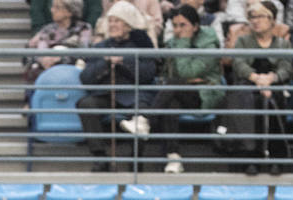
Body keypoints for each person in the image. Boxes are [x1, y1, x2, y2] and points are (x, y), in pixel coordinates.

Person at [77, 1, 158, 171]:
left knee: (142, 110)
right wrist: (105, 63)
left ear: (128, 24)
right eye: (110, 20)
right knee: (86, 104)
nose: (112, 25)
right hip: (106, 95)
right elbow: (85, 77)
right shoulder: (101, 47)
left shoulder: (141, 45)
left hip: (132, 96)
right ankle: (100, 157)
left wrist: (123, 61)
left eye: (117, 21)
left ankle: (135, 159)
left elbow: (148, 73)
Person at [144, 5, 224, 174]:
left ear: (195, 26)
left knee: (174, 84)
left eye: (183, 25)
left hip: (205, 94)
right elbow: (168, 73)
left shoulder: (209, 43)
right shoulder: (171, 43)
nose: (178, 30)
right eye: (175, 25)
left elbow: (187, 72)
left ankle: (146, 121)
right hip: (180, 92)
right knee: (171, 103)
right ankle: (174, 157)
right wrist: (186, 79)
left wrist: (183, 43)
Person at [225, 1, 293, 175]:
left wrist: (271, 78)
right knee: (250, 100)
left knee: (274, 101)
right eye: (252, 17)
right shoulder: (243, 40)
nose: (255, 21)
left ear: (272, 20)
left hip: (274, 85)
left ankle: (276, 159)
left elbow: (287, 67)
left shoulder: (282, 43)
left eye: (260, 16)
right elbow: (239, 64)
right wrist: (257, 79)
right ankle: (251, 158)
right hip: (250, 84)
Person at [25, 0, 94, 83]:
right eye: (52, 6)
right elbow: (40, 50)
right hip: (48, 72)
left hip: (72, 73)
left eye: (57, 7)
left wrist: (60, 59)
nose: (52, 10)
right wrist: (43, 60)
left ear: (69, 12)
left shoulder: (83, 28)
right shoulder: (47, 29)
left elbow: (83, 52)